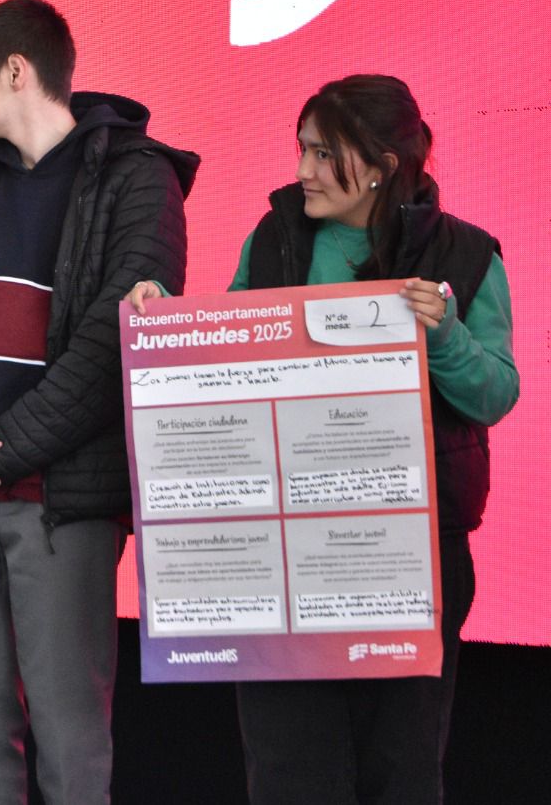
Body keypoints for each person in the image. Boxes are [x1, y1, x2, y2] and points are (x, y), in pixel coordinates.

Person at [129, 74, 519, 804]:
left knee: (401, 773)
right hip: (279, 552)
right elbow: (230, 358)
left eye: (322, 153)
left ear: (380, 166)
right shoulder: (273, 238)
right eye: (302, 149)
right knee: (287, 771)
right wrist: (165, 327)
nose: (303, 170)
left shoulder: (466, 253)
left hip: (410, 557)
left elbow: (495, 393)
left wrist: (444, 335)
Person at [0, 0, 197, 804]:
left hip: (62, 501)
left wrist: (1, 452)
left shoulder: (139, 175)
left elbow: (109, 346)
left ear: (17, 71)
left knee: (70, 736)